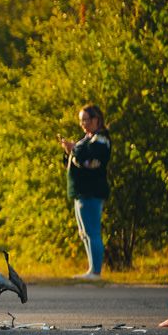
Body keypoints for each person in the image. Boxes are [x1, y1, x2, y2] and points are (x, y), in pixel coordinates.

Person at [58, 104, 110, 280]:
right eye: (81, 120)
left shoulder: (100, 139)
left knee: (92, 232)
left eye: (86, 120)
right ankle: (91, 270)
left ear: (96, 120)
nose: (83, 124)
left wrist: (74, 148)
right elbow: (75, 159)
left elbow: (91, 157)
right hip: (80, 193)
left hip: (92, 192)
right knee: (84, 233)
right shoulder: (86, 139)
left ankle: (96, 272)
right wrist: (68, 150)